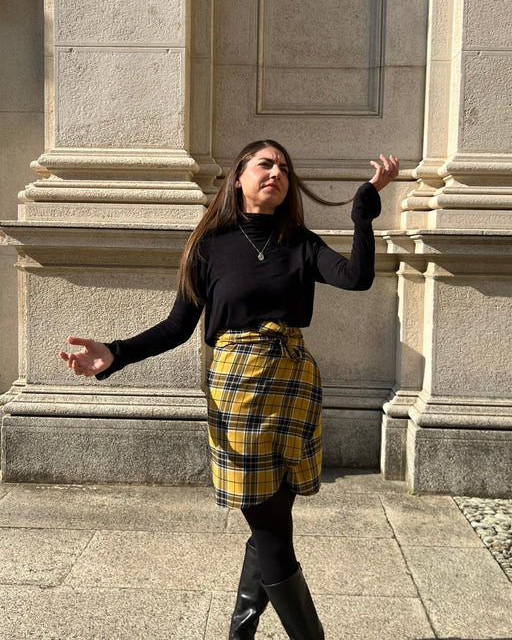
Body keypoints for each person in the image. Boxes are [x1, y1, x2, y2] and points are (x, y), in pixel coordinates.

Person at [60, 140, 398, 639]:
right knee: (271, 529)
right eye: (265, 164)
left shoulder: (300, 242)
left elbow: (357, 278)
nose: (277, 172)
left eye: (284, 168)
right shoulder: (209, 246)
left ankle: (240, 632)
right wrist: (115, 353)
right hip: (238, 389)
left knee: (274, 519)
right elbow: (178, 326)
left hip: (295, 384)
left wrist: (363, 213)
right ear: (238, 177)